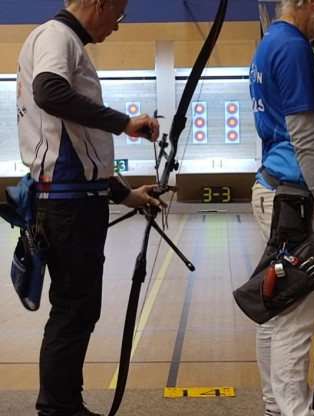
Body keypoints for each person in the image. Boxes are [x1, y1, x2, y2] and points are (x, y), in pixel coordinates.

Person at [16, 1, 165, 415]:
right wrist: (124, 123)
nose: (117, 26)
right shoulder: (57, 36)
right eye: (118, 13)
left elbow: (82, 147)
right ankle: (58, 408)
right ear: (100, 3)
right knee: (73, 309)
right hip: (69, 205)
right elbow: (49, 93)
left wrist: (126, 195)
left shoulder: (62, 40)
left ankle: (67, 403)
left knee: (78, 309)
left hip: (75, 199)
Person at [249, 0, 314, 415]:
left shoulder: (273, 41)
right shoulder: (291, 46)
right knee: (295, 319)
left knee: (277, 311)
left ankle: (276, 409)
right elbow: (304, 135)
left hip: (283, 190)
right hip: (294, 202)